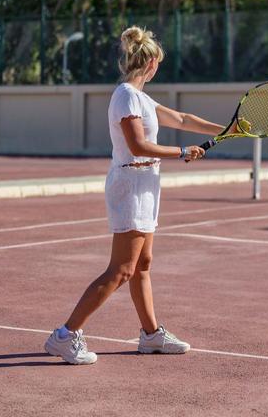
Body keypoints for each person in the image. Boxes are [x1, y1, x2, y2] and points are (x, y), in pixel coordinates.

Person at [44, 25, 232, 365]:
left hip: (146, 185)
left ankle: (151, 335)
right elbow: (137, 145)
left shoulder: (142, 98)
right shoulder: (126, 96)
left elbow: (182, 118)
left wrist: (227, 128)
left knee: (142, 264)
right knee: (121, 270)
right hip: (129, 186)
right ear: (152, 64)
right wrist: (181, 152)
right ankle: (65, 335)